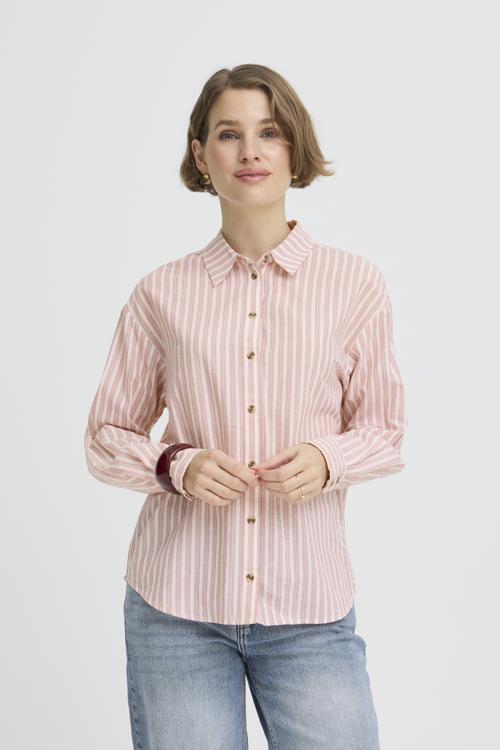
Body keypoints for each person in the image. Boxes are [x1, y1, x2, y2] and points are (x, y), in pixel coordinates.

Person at [84, 63, 407, 750]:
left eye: (270, 132)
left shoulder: (354, 284)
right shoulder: (161, 294)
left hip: (309, 609)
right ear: (201, 156)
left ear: (295, 148)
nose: (251, 151)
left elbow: (385, 431)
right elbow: (106, 436)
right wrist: (177, 465)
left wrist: (327, 458)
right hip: (177, 609)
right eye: (229, 134)